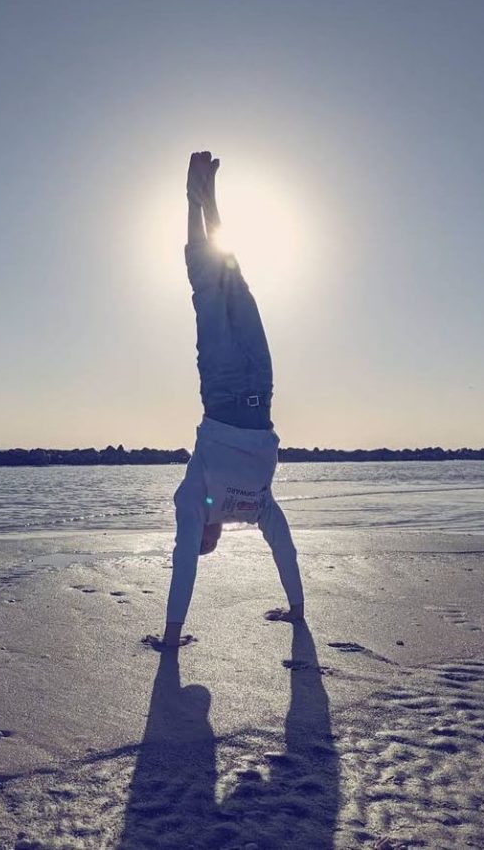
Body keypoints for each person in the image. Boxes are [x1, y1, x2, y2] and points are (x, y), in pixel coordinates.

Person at [154, 151, 305, 649]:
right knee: (230, 277)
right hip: (255, 381)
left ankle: (192, 196)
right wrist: (296, 610)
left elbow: (182, 565)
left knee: (209, 282)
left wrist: (172, 635)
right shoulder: (255, 507)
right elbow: (284, 549)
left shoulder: (193, 504)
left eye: (203, 546)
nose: (206, 546)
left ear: (201, 534)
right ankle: (207, 198)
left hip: (232, 387)